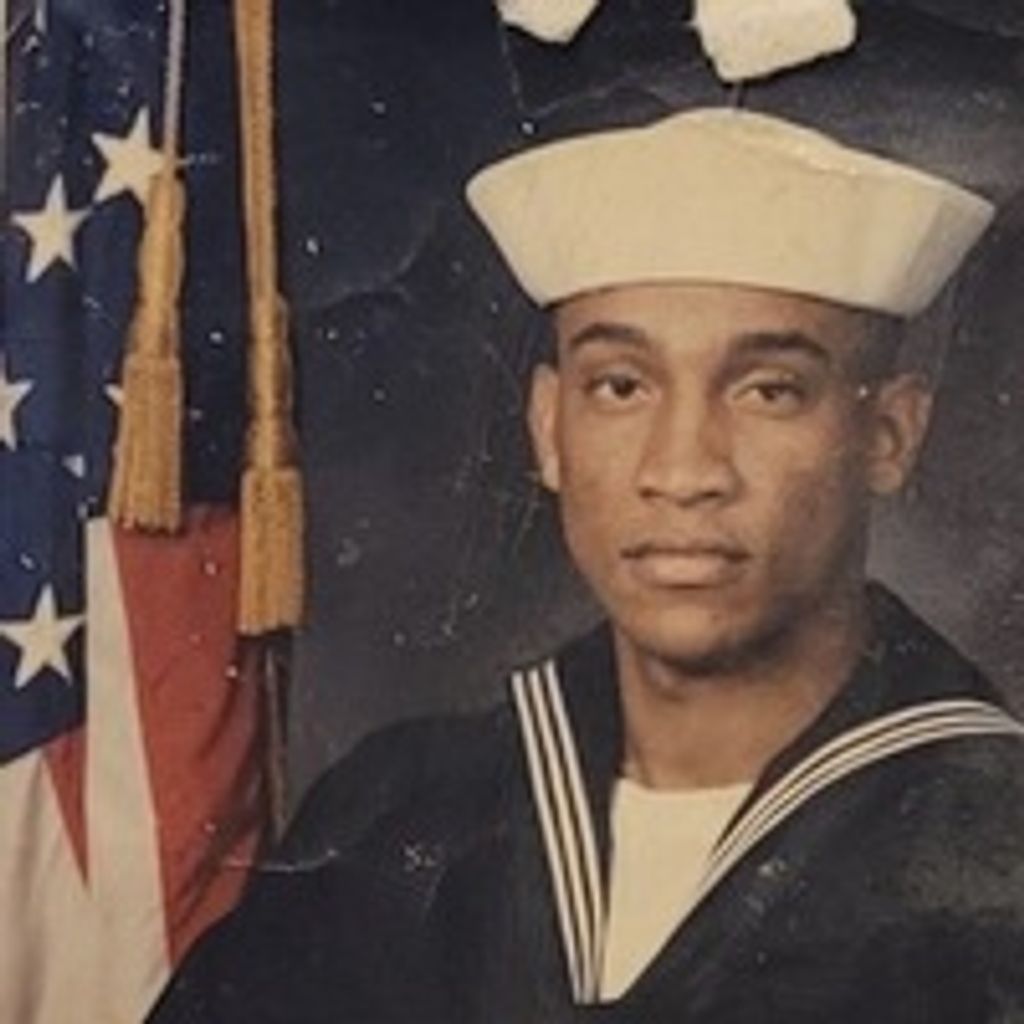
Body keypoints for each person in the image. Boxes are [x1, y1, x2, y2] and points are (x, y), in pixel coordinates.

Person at [147, 104, 1024, 1023]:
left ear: (887, 436)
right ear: (548, 428)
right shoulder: (399, 813)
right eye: (621, 386)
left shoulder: (991, 844)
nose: (682, 470)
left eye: (769, 390)